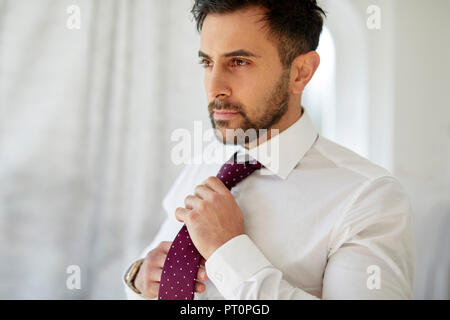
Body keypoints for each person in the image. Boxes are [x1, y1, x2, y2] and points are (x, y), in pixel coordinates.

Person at [123, 0, 415, 300]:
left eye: (239, 62)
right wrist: (137, 278)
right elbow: (151, 272)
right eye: (207, 62)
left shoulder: (369, 199)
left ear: (301, 72)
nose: (214, 87)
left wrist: (229, 251)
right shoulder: (205, 161)